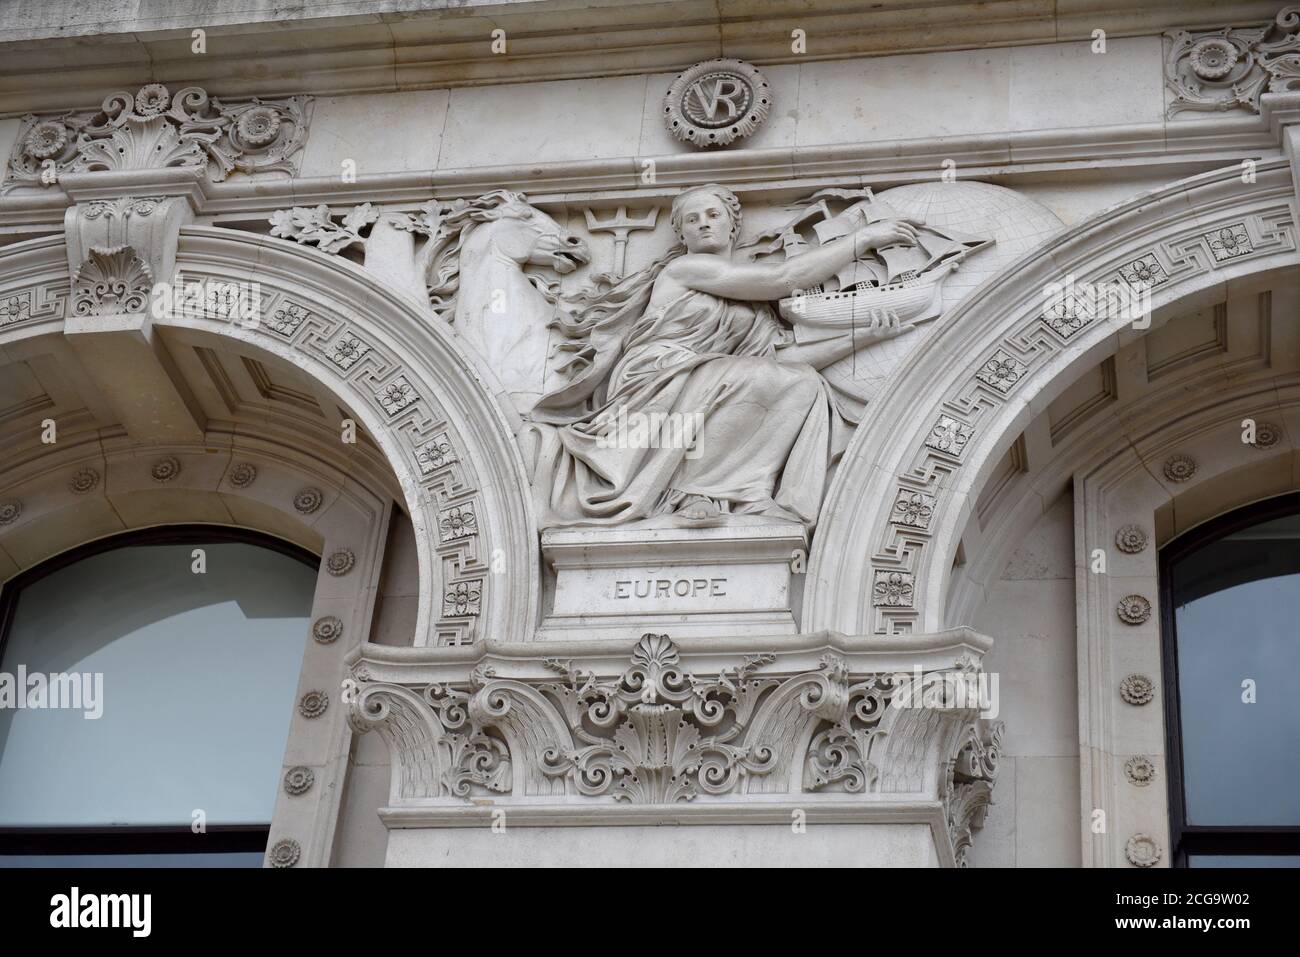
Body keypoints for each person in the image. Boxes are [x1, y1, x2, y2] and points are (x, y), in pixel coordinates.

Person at [527, 183, 916, 527]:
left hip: (712, 374)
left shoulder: (751, 308)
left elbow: (780, 365)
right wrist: (859, 240)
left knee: (804, 386)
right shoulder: (687, 269)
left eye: (713, 214)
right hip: (659, 373)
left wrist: (862, 336)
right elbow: (783, 279)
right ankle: (692, 489)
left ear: (733, 224)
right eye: (692, 220)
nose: (704, 223)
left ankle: (758, 495)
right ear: (681, 236)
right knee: (739, 375)